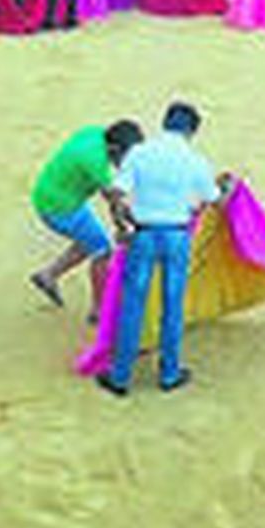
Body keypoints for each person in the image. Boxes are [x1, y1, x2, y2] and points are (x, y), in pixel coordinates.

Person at [98, 102, 230, 397]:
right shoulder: (196, 161)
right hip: (177, 236)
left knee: (133, 304)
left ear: (164, 123)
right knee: (173, 305)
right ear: (192, 131)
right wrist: (227, 187)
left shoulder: (140, 153)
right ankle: (169, 373)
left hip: (144, 235)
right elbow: (215, 200)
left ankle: (120, 377)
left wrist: (122, 226)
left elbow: (116, 194)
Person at [29, 120, 145, 318]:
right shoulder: (96, 163)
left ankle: (48, 275)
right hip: (60, 208)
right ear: (114, 149)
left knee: (87, 241)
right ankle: (98, 309)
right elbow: (114, 202)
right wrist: (130, 227)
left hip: (51, 194)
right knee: (102, 250)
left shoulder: (93, 134)